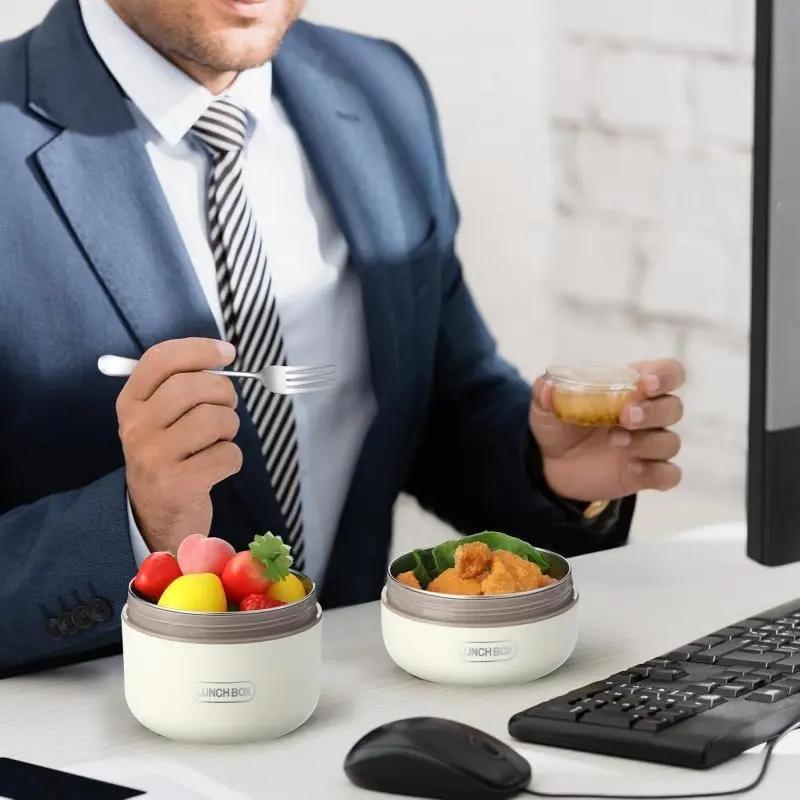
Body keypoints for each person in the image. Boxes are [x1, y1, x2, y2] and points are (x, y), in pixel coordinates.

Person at [0, 0, 684, 675]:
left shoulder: (379, 88)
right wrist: (135, 524)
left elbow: (439, 403)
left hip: (359, 729)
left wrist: (545, 470)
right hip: (103, 758)